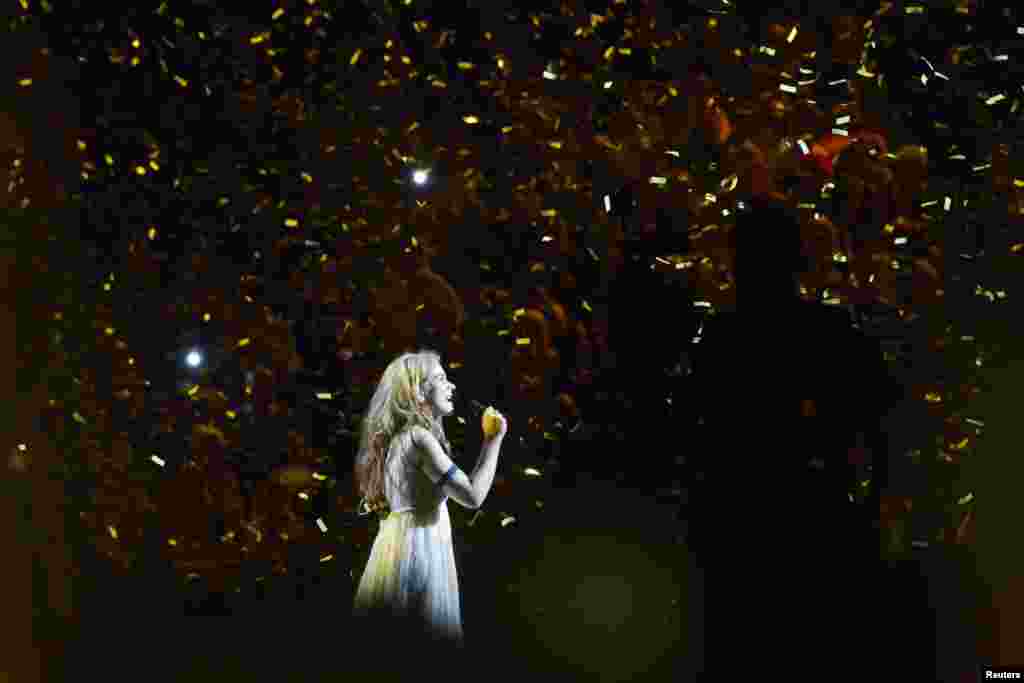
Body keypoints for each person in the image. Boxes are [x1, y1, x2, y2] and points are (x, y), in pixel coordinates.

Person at [689, 196, 908, 674]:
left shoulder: (723, 336)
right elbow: (883, 424)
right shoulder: (827, 329)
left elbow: (698, 433)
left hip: (749, 526)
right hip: (809, 518)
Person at [350, 350, 507, 673]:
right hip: (418, 553)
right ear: (417, 391)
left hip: (398, 546)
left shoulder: (401, 439)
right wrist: (493, 440)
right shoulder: (418, 439)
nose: (450, 386)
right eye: (440, 379)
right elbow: (473, 495)